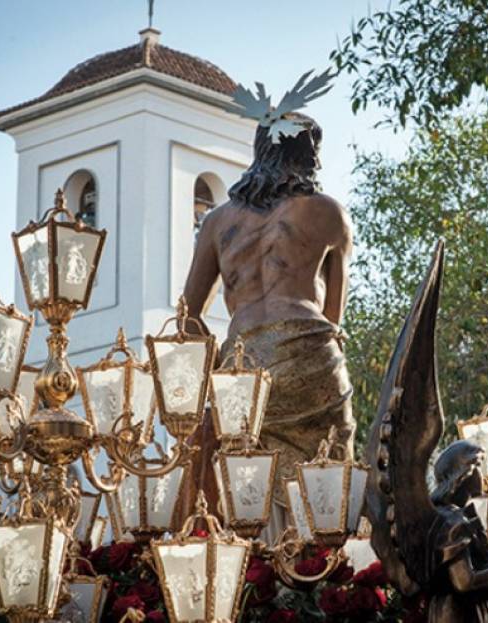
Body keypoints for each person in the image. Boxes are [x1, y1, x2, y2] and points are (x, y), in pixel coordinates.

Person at [183, 112, 355, 529]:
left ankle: (257, 567)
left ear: (261, 152)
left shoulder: (217, 222)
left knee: (242, 475)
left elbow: (187, 316)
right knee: (327, 474)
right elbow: (333, 316)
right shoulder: (330, 213)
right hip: (309, 353)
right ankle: (321, 570)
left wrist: (217, 367)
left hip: (243, 366)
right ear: (308, 156)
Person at [427, 440, 488, 622]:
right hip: (458, 613)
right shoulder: (453, 520)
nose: (482, 476)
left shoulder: (446, 516)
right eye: (478, 466)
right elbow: (464, 580)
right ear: (464, 473)